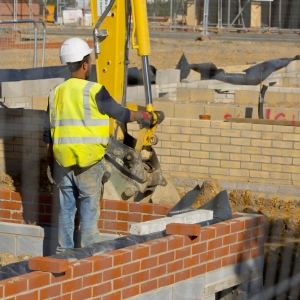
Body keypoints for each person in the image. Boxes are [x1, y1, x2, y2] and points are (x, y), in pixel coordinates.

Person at [43, 37, 154, 253]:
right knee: (89, 208)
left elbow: (47, 132)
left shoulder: (55, 92)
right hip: (89, 161)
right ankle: (88, 256)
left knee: (66, 209)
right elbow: (120, 113)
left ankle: (62, 255)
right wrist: (143, 115)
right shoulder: (94, 91)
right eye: (90, 61)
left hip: (62, 161)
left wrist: (49, 160)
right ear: (85, 64)